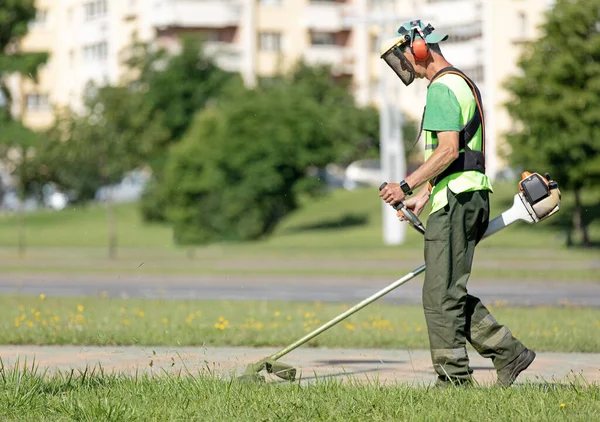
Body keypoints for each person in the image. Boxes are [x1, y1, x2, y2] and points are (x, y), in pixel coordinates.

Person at [378, 20, 535, 387]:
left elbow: (448, 150)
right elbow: (461, 153)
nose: (402, 66)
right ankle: (509, 353)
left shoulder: (441, 89)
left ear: (419, 49)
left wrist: (405, 185)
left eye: (401, 56)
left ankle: (453, 380)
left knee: (438, 297)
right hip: (465, 195)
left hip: (458, 202)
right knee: (447, 290)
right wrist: (424, 194)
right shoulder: (459, 82)